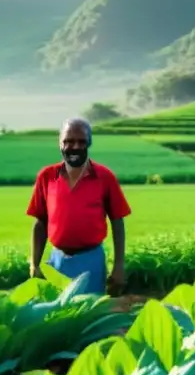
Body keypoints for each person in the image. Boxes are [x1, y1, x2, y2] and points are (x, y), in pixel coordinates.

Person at [26, 117, 132, 295]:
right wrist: (34, 263)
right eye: (69, 141)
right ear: (60, 143)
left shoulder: (104, 177)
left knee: (90, 315)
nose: (75, 147)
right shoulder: (47, 176)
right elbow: (40, 223)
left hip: (91, 260)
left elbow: (117, 222)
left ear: (89, 143)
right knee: (57, 315)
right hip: (58, 260)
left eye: (81, 142)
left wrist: (119, 266)